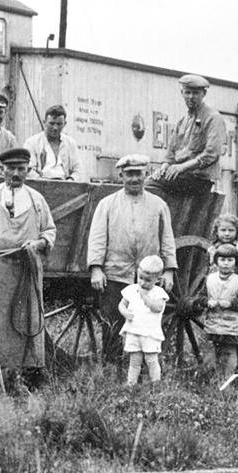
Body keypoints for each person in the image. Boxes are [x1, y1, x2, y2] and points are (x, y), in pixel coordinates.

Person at [0, 147, 57, 391]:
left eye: (21, 169)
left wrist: (38, 243)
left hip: (26, 269)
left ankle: (27, 374)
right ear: (1, 169)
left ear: (27, 170)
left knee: (26, 320)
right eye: (11, 168)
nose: (16, 173)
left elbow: (49, 231)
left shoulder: (37, 200)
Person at [87, 154, 177, 368]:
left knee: (147, 324)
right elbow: (97, 237)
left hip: (147, 278)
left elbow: (167, 238)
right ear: (121, 175)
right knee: (112, 323)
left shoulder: (158, 205)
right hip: (116, 274)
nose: (134, 179)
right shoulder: (107, 204)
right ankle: (112, 370)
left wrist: (169, 270)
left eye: (139, 174)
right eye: (129, 174)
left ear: (146, 174)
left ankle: (145, 370)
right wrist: (96, 268)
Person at [148, 74, 227, 196]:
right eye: (187, 92)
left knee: (150, 186)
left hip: (198, 180)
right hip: (180, 177)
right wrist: (163, 168)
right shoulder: (182, 122)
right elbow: (170, 154)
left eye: (195, 93)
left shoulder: (213, 118)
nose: (191, 97)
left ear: (203, 94)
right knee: (148, 182)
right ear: (182, 93)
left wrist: (181, 167)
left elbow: (211, 154)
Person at [198, 243, 238, 384]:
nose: (226, 264)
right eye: (222, 260)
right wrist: (207, 302)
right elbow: (200, 297)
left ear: (235, 262)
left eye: (230, 260)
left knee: (230, 351)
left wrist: (231, 304)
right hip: (213, 324)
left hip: (231, 326)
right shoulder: (210, 279)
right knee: (216, 350)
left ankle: (227, 379)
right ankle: (215, 378)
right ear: (216, 261)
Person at [118, 256, 169, 386]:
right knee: (134, 361)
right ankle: (131, 384)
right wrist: (124, 312)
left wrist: (145, 296)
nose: (142, 283)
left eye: (148, 280)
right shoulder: (131, 289)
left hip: (149, 333)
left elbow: (157, 308)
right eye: (140, 278)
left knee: (151, 360)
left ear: (157, 279)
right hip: (134, 331)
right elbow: (122, 304)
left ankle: (156, 384)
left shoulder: (159, 293)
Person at [22, 104, 81, 180]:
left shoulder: (70, 143)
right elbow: (28, 169)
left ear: (65, 124)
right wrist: (42, 181)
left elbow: (78, 169)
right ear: (45, 122)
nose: (55, 128)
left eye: (59, 124)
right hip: (40, 185)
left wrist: (71, 180)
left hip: (66, 185)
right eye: (52, 123)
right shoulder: (32, 143)